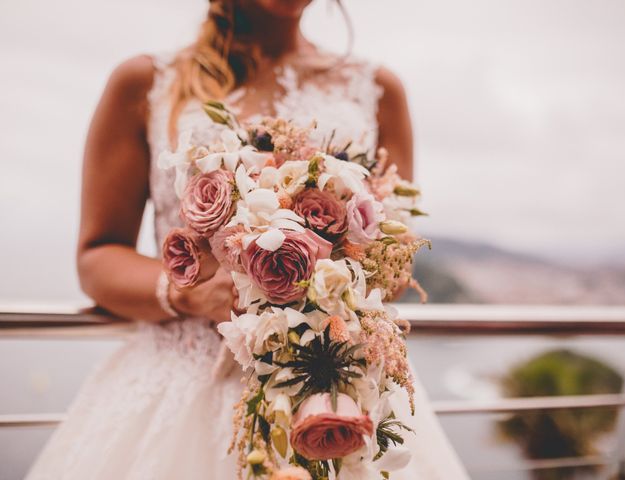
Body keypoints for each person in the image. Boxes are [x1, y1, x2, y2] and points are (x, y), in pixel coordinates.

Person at [27, 0, 469, 478]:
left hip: (338, 386)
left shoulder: (379, 90)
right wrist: (189, 293)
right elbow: (97, 256)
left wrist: (322, 289)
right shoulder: (144, 83)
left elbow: (397, 259)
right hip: (185, 383)